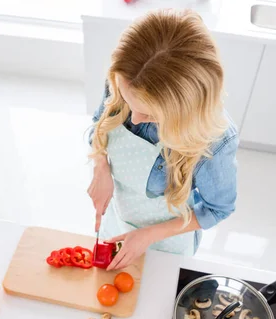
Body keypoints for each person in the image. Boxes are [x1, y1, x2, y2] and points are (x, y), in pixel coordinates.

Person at [88, 9, 238, 271]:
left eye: (149, 114)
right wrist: (101, 166)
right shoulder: (128, 76)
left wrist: (147, 235)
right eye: (127, 100)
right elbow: (98, 125)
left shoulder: (215, 140)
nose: (133, 119)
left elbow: (218, 209)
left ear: (184, 111)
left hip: (167, 244)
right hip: (119, 218)